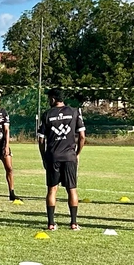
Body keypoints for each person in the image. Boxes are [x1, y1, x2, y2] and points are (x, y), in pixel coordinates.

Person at [36, 88, 85, 231]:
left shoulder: (47, 114)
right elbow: (82, 136)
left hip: (53, 156)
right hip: (70, 156)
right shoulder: (74, 112)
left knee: (52, 189)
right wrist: (77, 153)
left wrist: (44, 156)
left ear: (53, 98)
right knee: (72, 189)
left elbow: (40, 139)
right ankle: (74, 223)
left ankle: (51, 224)